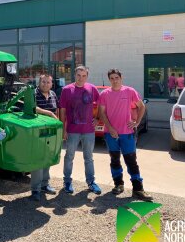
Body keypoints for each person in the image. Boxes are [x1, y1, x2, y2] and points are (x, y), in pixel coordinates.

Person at [98, 68, 153, 202]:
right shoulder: (105, 94)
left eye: (116, 78)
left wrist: (137, 122)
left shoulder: (130, 91)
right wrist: (110, 128)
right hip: (111, 134)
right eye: (112, 78)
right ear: (109, 80)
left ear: (121, 78)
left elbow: (142, 107)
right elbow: (102, 113)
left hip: (127, 133)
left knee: (131, 161)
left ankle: (138, 189)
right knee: (115, 160)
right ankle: (118, 184)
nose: (114, 80)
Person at [59, 66, 101, 195]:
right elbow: (62, 110)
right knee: (69, 156)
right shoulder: (67, 90)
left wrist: (97, 117)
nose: (81, 78)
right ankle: (67, 181)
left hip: (88, 130)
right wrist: (63, 128)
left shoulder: (92, 88)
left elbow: (100, 103)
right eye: (78, 75)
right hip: (72, 130)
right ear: (74, 75)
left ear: (87, 76)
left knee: (88, 157)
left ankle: (91, 182)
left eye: (83, 75)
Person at [30, 74, 59, 201]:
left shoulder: (53, 94)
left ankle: (45, 185)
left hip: (50, 132)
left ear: (51, 84)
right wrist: (49, 113)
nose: (45, 84)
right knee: (37, 160)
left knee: (48, 158)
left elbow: (56, 110)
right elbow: (32, 108)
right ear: (39, 82)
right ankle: (35, 190)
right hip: (37, 132)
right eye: (43, 82)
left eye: (48, 82)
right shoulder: (33, 93)